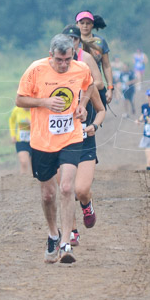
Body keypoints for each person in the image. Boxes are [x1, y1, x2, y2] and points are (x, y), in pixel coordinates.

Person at [16, 34, 100, 263]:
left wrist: (82, 106)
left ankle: (65, 243)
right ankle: (53, 234)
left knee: (65, 187)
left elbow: (90, 85)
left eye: (68, 59)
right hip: (42, 140)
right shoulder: (36, 70)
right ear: (50, 54)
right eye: (60, 60)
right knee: (48, 194)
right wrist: (44, 102)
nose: (64, 65)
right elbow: (20, 100)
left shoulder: (80, 68)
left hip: (71, 136)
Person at [62, 30, 107, 248]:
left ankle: (87, 204)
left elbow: (100, 110)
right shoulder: (54, 84)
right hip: (63, 141)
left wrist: (94, 126)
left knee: (80, 190)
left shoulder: (87, 81)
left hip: (85, 140)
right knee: (66, 189)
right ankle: (72, 231)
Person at [75, 11, 114, 103]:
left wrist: (110, 88)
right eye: (82, 23)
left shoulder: (100, 41)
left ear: (92, 24)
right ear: (77, 24)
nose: (85, 26)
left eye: (88, 23)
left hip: (96, 86)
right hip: (77, 88)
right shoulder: (72, 42)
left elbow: (106, 65)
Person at [8, 104, 33, 175]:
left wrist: (31, 124)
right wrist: (13, 134)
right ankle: (23, 181)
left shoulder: (35, 109)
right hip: (21, 140)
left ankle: (34, 182)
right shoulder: (17, 110)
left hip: (34, 141)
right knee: (23, 162)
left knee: (35, 165)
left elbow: (42, 124)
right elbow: (11, 121)